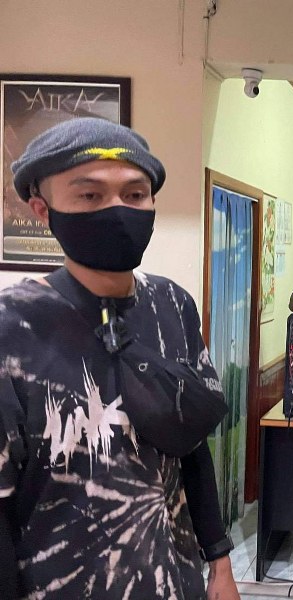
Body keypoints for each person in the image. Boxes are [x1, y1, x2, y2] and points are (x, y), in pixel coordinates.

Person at [0, 118, 239, 599]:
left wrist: (219, 563)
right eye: (90, 195)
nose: (117, 210)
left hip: (175, 579)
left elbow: (191, 445)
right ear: (43, 210)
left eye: (134, 195)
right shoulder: (14, 326)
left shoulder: (173, 305)